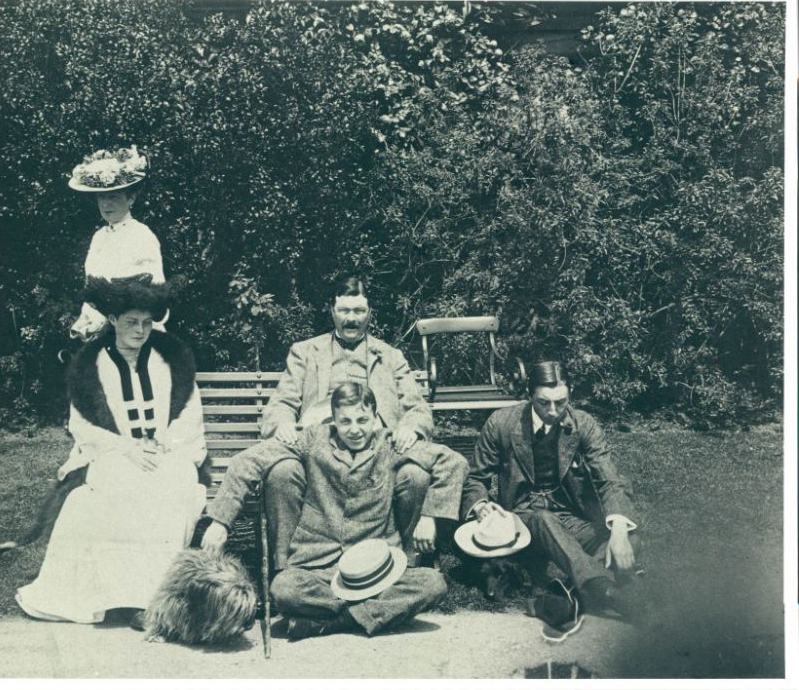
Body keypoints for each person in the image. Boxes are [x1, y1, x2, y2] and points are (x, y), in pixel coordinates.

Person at [201, 382, 464, 640]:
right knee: (283, 589)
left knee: (433, 584)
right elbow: (247, 461)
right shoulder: (313, 439)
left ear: (375, 418)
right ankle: (370, 614)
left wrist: (429, 517)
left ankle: (329, 623)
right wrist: (220, 523)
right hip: (319, 565)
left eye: (363, 420)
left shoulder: (390, 445)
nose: (355, 430)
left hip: (376, 568)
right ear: (333, 420)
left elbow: (453, 462)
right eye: (345, 421)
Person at [16, 276, 207, 628]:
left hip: (166, 453)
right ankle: (122, 598)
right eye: (131, 322)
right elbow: (83, 426)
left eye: (147, 323)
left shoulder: (172, 360)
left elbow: (188, 415)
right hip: (114, 455)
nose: (140, 330)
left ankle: (153, 599)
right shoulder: (90, 365)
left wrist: (165, 447)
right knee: (116, 492)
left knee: (174, 486)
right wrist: (126, 448)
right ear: (114, 320)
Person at [258, 273, 439, 569]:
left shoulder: (391, 356)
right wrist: (284, 424)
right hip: (320, 456)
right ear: (332, 311)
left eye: (358, 311)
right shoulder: (305, 352)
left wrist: (410, 426)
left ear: (369, 314)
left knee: (416, 478)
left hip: (376, 457)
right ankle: (286, 571)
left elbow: (418, 408)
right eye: (344, 311)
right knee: (281, 473)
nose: (351, 319)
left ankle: (407, 566)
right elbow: (281, 403)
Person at [460, 359, 641, 621]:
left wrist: (621, 529)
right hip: (521, 521)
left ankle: (558, 597)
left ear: (570, 394)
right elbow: (475, 479)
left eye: (561, 402)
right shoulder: (501, 422)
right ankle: (607, 592)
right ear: (529, 395)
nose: (554, 411)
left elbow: (609, 478)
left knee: (630, 540)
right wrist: (479, 505)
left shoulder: (583, 425)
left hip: (567, 518)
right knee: (544, 518)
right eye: (544, 402)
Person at [67, 146, 167, 341]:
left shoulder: (141, 234)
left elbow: (154, 291)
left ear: (131, 198)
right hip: (101, 331)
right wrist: (89, 321)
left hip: (136, 331)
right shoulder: (99, 237)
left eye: (113, 197)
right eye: (101, 197)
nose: (106, 204)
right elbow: (91, 286)